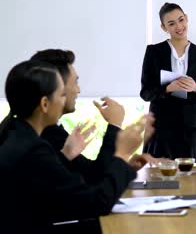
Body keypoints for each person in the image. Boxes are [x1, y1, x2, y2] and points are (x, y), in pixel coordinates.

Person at [0, 60, 150, 232]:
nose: (66, 100)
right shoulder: (34, 149)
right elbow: (97, 203)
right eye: (62, 94)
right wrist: (122, 155)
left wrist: (64, 156)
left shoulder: (16, 134)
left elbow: (56, 194)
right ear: (44, 104)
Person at [31, 49, 160, 184]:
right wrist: (114, 125)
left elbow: (90, 171)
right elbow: (98, 178)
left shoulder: (47, 128)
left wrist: (125, 166)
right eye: (75, 82)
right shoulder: (45, 135)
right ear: (56, 87)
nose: (78, 90)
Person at [140, 2, 196, 162]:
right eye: (171, 23)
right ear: (164, 28)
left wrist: (195, 88)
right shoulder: (154, 52)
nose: (179, 26)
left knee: (189, 180)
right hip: (160, 128)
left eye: (181, 20)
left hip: (189, 129)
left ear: (186, 18)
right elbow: (145, 93)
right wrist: (168, 88)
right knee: (158, 180)